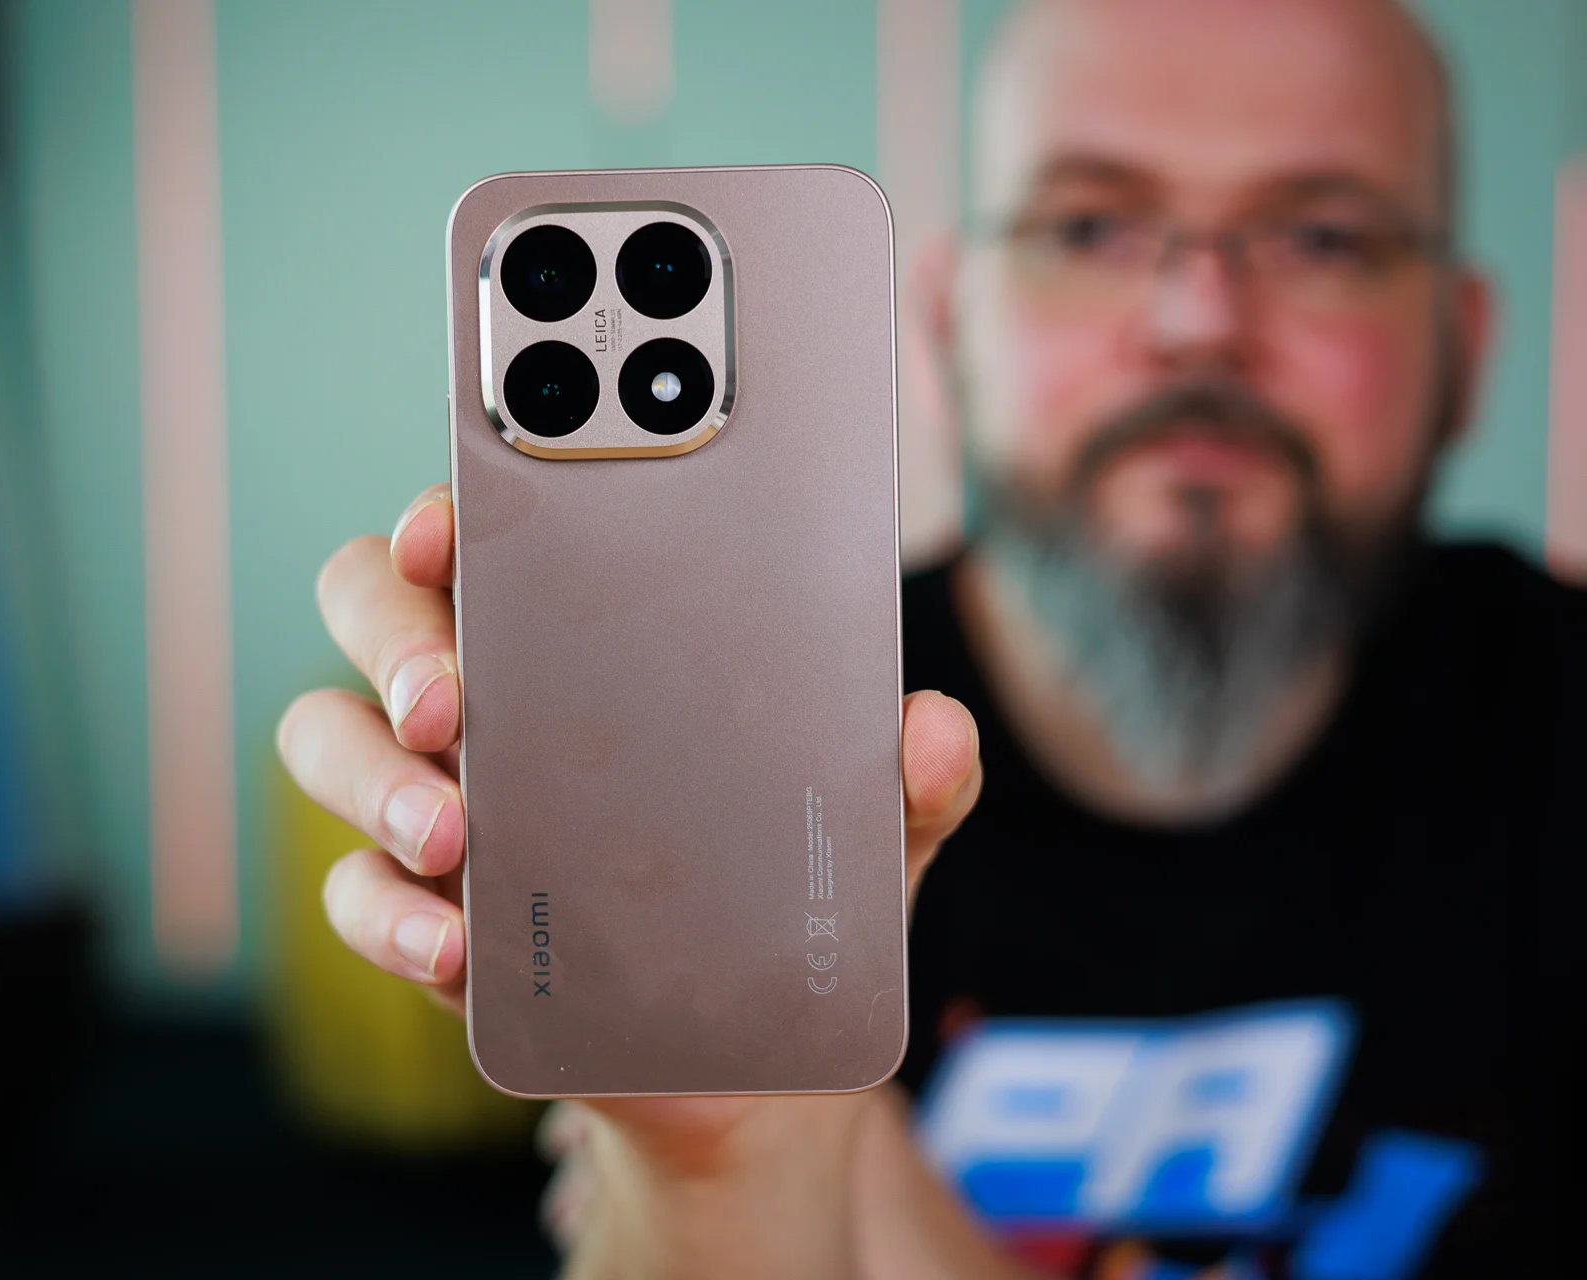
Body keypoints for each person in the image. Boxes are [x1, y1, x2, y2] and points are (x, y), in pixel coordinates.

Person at [276, 0, 1585, 1274]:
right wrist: (718, 1162)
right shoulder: (712, 748)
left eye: (1322, 237)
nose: (1198, 321)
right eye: (1089, 225)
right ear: (953, 320)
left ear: (1464, 347)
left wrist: (887, 1190)